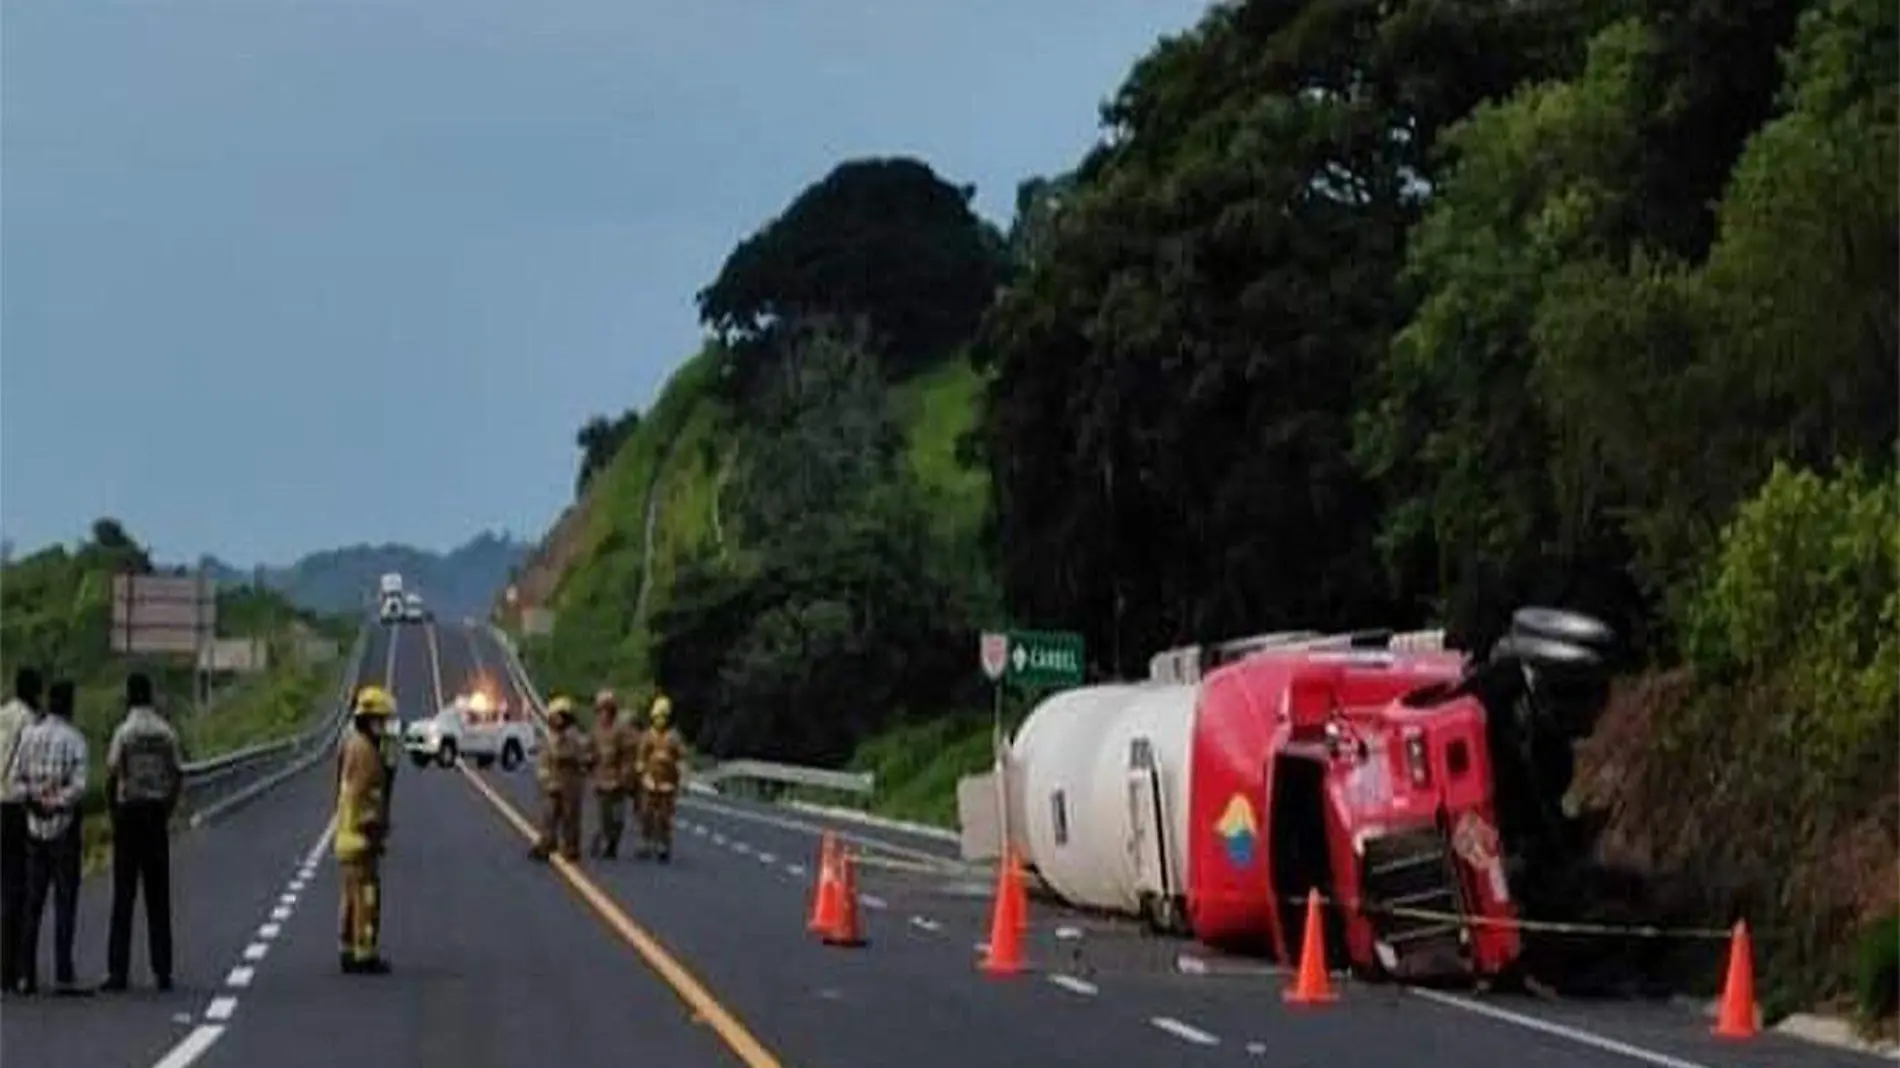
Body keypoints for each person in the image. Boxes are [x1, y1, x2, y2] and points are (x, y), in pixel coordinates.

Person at [102, 673, 182, 993]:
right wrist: (168, 808)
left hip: (129, 813)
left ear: (128, 697)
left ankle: (117, 972)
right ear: (150, 696)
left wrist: (114, 813)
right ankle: (162, 969)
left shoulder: (124, 732)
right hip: (155, 815)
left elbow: (111, 772)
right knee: (158, 895)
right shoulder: (166, 732)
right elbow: (177, 775)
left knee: (124, 896)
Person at [10, 680, 90, 996]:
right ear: (69, 704)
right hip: (64, 827)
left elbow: (15, 779)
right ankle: (63, 973)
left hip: (33, 826)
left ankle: (25, 974)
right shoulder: (75, 740)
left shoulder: (30, 736)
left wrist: (35, 800)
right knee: (65, 901)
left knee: (33, 902)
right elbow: (80, 786)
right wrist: (57, 801)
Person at [334, 685, 393, 975]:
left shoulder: (349, 744)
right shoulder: (367, 753)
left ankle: (346, 947)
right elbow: (369, 800)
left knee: (349, 894)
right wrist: (377, 833)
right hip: (360, 837)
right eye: (381, 720)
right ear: (368, 720)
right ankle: (364, 952)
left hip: (344, 834)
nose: (384, 727)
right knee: (367, 896)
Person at [0, 668, 43, 996]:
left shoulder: (2, 715)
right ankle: (13, 967)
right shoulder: (31, 724)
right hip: (17, 807)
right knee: (18, 889)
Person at [529, 696, 591, 863]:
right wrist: (543, 775)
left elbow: (576, 755)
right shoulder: (551, 735)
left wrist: (561, 755)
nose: (552, 719)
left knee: (570, 816)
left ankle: (571, 849)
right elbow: (545, 757)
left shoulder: (574, 736)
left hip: (570, 783)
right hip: (553, 782)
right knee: (549, 815)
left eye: (556, 716)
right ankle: (546, 844)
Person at [635, 694, 686, 863]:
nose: (660, 720)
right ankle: (646, 842)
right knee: (646, 814)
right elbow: (641, 757)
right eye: (658, 717)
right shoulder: (648, 736)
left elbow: (680, 759)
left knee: (664, 817)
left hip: (668, 783)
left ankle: (664, 845)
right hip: (650, 781)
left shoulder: (674, 737)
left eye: (663, 717)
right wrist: (641, 771)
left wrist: (683, 780)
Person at [587, 690, 629, 860]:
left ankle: (612, 844)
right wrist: (589, 762)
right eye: (601, 710)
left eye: (607, 710)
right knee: (604, 817)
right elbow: (589, 752)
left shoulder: (620, 731)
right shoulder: (595, 731)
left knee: (618, 818)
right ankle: (601, 841)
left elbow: (627, 755)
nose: (603, 714)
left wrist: (625, 776)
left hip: (617, 782)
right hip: (601, 781)